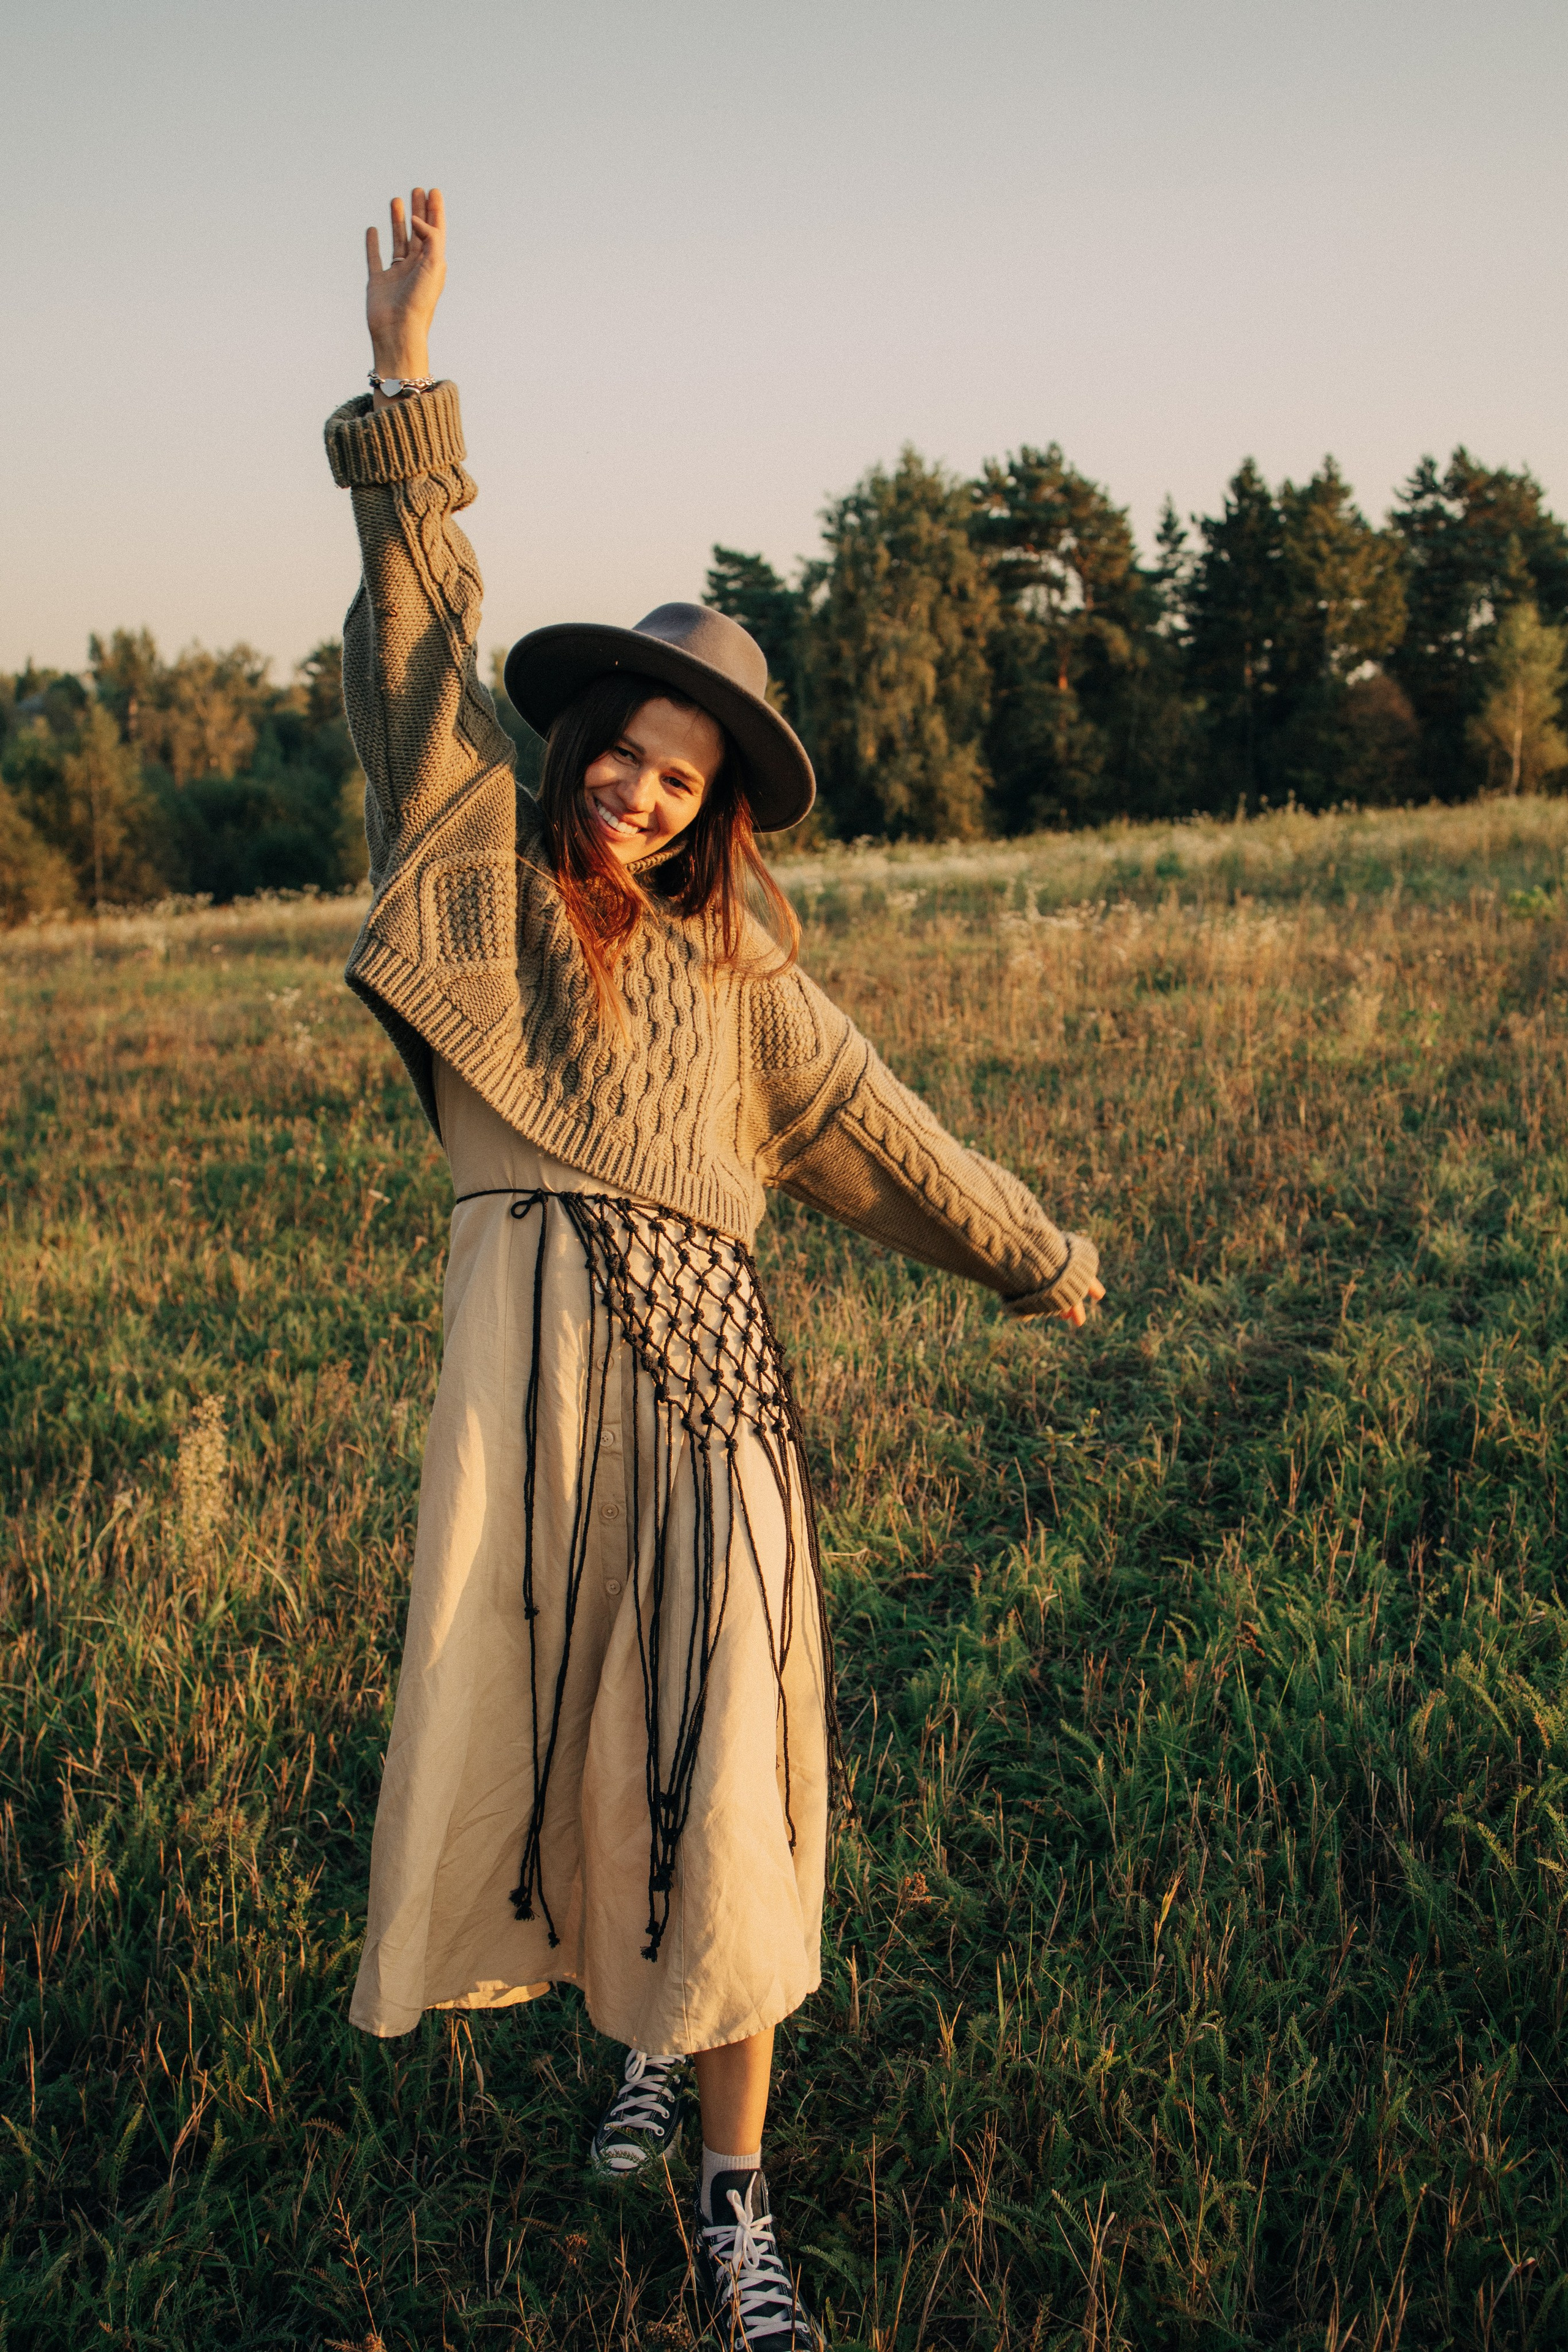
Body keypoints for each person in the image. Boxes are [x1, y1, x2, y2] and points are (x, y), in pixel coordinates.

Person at [325, 186, 1105, 2351]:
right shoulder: (477, 866)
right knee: (576, 1741)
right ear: (575, 743)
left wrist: (1035, 1255)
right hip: (529, 1390)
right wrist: (411, 387)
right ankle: (644, 2041)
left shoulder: (741, 965)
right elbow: (412, 647)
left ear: (714, 806)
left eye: (679, 782)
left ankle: (733, 2194)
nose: (637, 799)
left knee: (734, 1759)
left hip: (705, 1392)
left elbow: (875, 1132)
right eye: (621, 756)